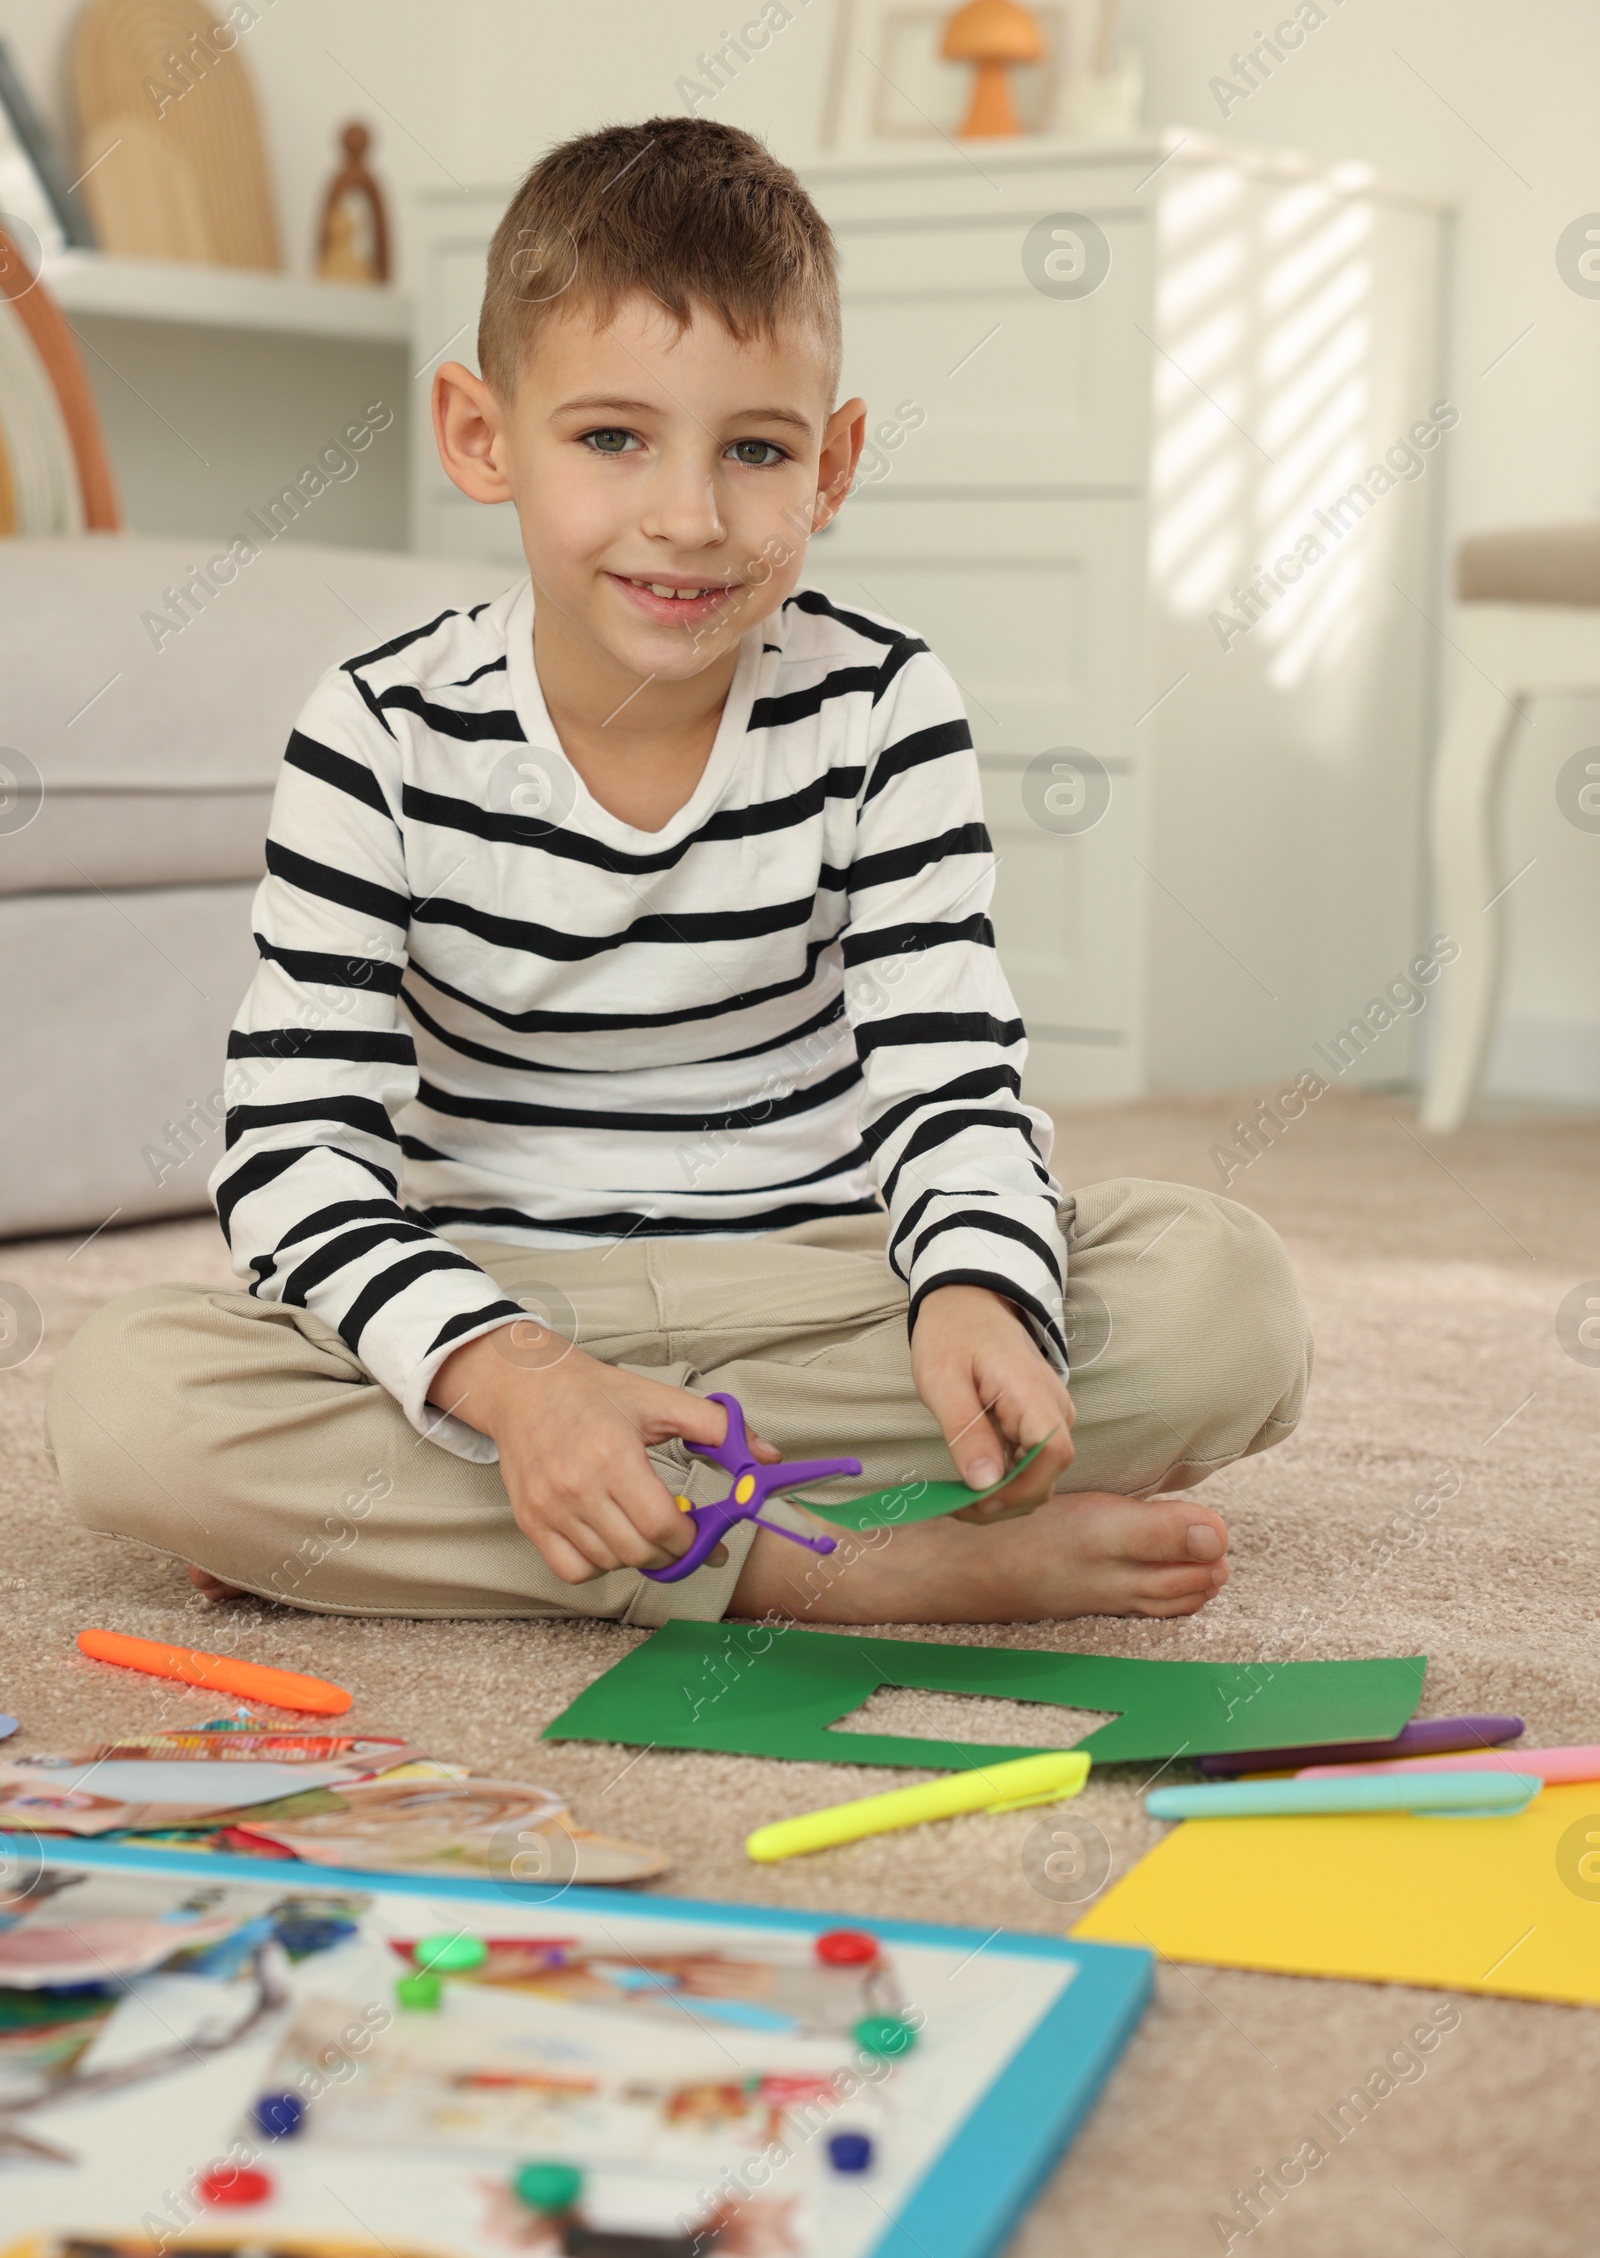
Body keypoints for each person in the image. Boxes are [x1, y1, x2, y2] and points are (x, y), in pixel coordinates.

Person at [47, 118, 1310, 1630]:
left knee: (1221, 1298)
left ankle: (503, 1530)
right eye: (611, 438)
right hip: (516, 1307)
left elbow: (951, 1075)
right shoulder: (377, 727)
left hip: (826, 1288)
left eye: (757, 451)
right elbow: (291, 1153)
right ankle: (831, 1562)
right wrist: (515, 1382)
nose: (690, 518)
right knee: (128, 1403)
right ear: (479, 436)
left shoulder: (883, 707)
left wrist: (975, 1292)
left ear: (832, 463)